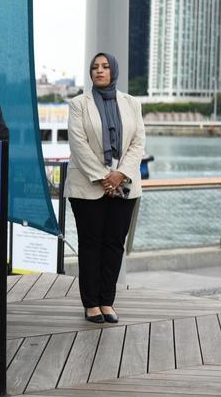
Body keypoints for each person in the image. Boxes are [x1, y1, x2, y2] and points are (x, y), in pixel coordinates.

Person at [64, 52, 145, 324]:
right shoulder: (78, 104)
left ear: (114, 70)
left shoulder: (132, 103)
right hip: (88, 186)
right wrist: (104, 177)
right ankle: (91, 303)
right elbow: (78, 144)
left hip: (124, 186)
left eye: (105, 66)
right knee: (91, 245)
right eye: (95, 67)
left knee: (114, 245)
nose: (99, 71)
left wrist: (120, 174)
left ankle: (107, 301)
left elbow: (138, 143)